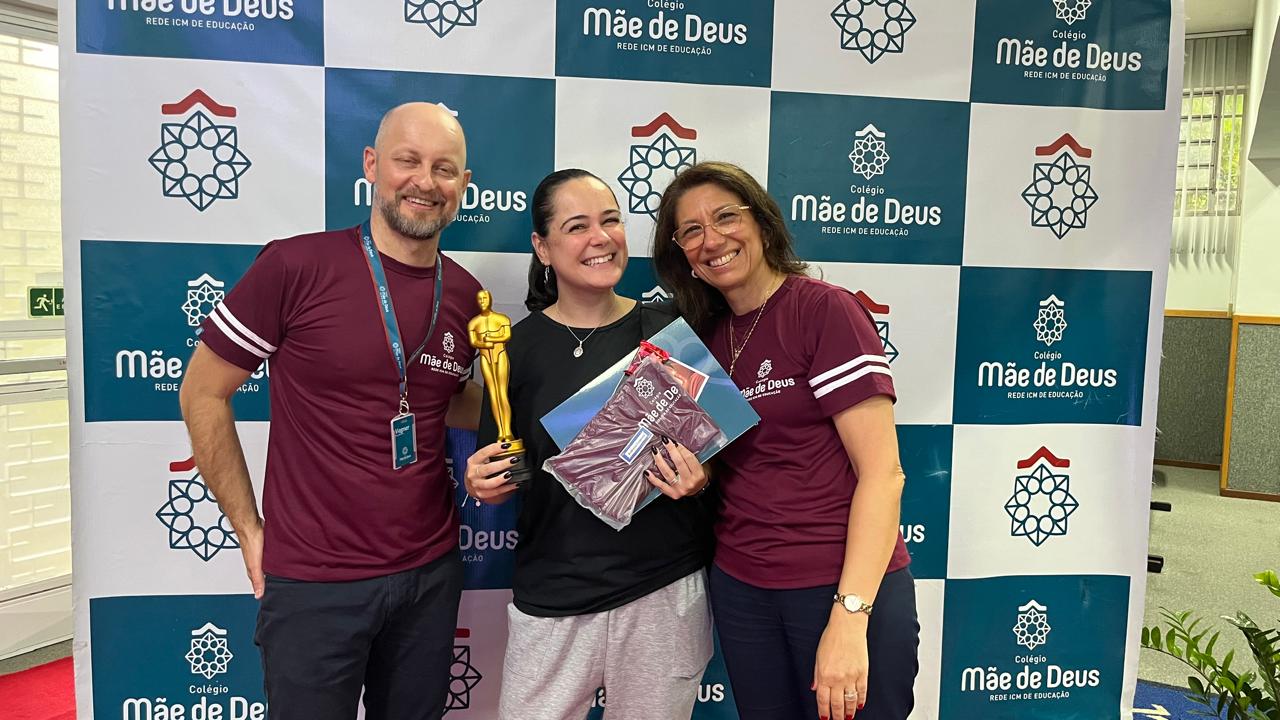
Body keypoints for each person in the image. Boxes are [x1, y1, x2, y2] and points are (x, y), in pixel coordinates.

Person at [178, 102, 484, 720]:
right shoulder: (295, 266)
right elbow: (202, 392)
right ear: (371, 165)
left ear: (464, 184)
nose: (425, 181)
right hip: (314, 583)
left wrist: (547, 399)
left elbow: (447, 401)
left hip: (429, 573)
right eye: (407, 161)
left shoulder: (465, 294)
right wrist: (249, 530)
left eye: (444, 168)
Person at [651, 161, 920, 720]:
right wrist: (699, 478)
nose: (712, 240)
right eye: (691, 230)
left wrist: (849, 617)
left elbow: (883, 474)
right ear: (681, 254)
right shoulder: (702, 338)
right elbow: (743, 458)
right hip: (742, 588)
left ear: (762, 222)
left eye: (726, 217)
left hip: (835, 586)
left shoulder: (823, 310)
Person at [463, 168, 715, 719]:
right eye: (577, 226)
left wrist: (700, 479)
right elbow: (504, 470)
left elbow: (716, 455)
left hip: (661, 589)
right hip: (553, 595)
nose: (600, 238)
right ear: (542, 247)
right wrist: (484, 482)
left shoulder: (672, 328)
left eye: (611, 221)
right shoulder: (513, 350)